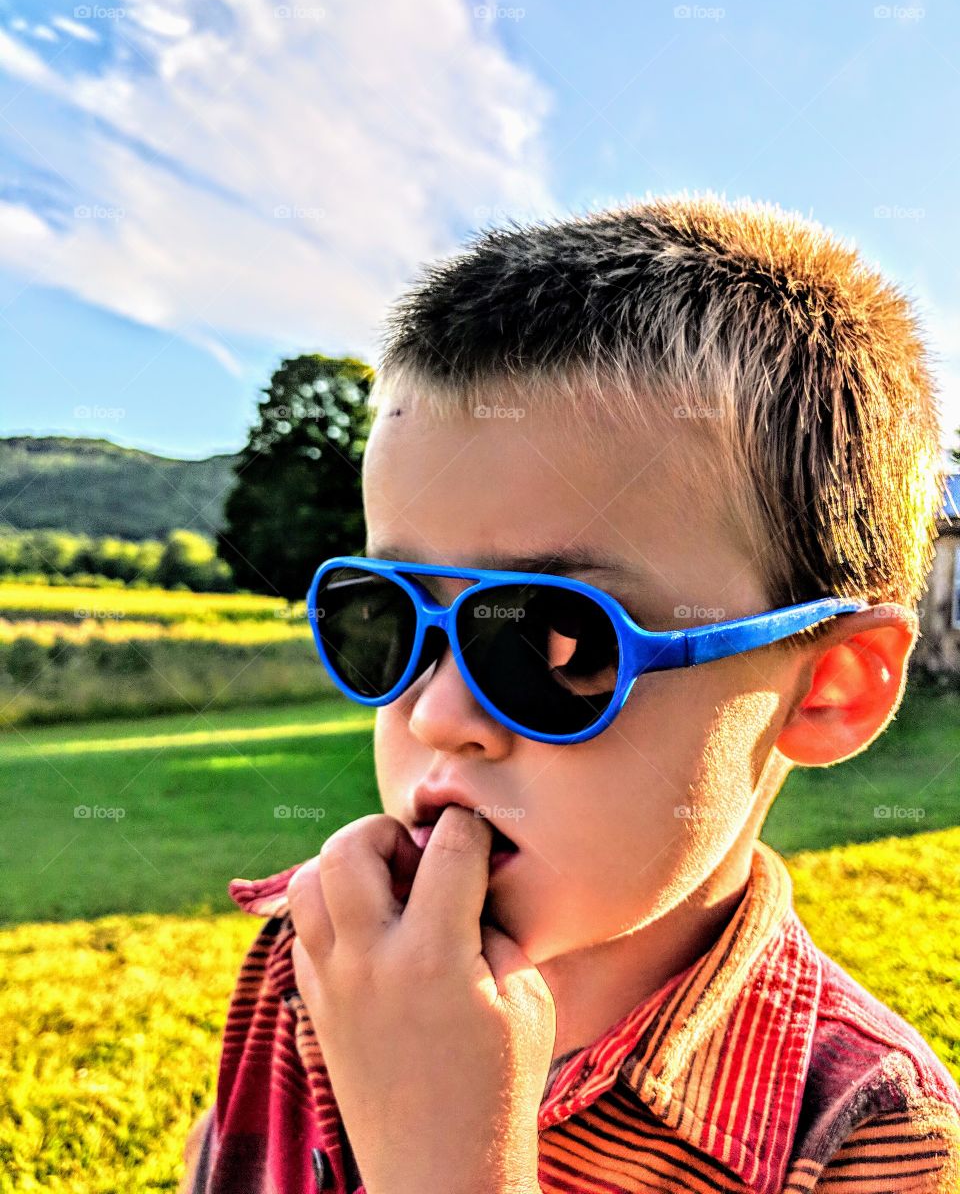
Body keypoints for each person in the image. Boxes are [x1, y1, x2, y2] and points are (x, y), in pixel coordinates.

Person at [180, 194, 960, 1193]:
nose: (438, 714)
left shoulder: (863, 1133)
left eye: (558, 643)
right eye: (386, 612)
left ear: (829, 687)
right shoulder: (314, 958)